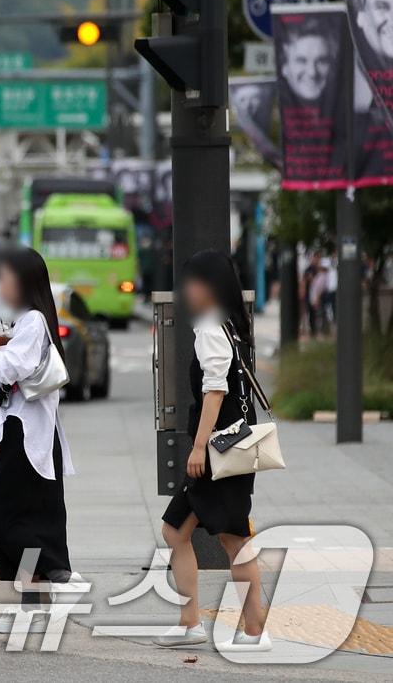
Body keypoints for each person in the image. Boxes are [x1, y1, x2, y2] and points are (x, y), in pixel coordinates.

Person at [153, 249, 269, 651]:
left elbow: (215, 390)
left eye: (193, 283)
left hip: (220, 450)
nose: (187, 291)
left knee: (234, 539)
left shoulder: (210, 327)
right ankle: (190, 624)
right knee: (176, 530)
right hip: (230, 447)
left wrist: (199, 446)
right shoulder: (233, 325)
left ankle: (254, 630)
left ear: (211, 287)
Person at [0, 247, 79, 634]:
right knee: (30, 515)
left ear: (24, 282)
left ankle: (55, 568)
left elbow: (11, 368)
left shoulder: (33, 319)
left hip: (25, 434)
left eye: (6, 278)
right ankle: (27, 608)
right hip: (30, 434)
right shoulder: (33, 320)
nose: (1, 285)